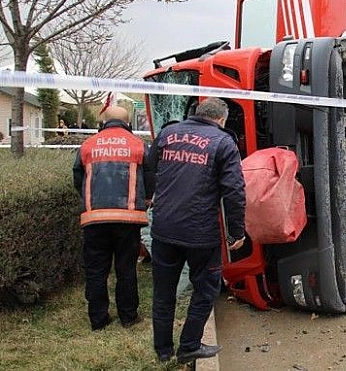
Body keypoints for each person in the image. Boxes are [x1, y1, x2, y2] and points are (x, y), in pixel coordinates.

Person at [148, 97, 246, 364]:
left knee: (163, 291)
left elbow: (150, 166)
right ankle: (189, 345)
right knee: (206, 289)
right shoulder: (223, 142)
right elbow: (234, 190)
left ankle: (163, 351)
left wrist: (150, 197)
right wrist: (237, 232)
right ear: (222, 119)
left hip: (164, 228)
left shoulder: (168, 133)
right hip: (200, 233)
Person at [72, 106, 154, 330]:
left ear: (103, 123)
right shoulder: (138, 145)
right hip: (128, 220)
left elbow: (77, 176)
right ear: (128, 123)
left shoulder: (88, 145)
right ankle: (128, 317)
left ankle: (98, 320)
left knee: (96, 270)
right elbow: (150, 177)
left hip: (94, 218)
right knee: (126, 268)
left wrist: (92, 198)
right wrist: (145, 200)